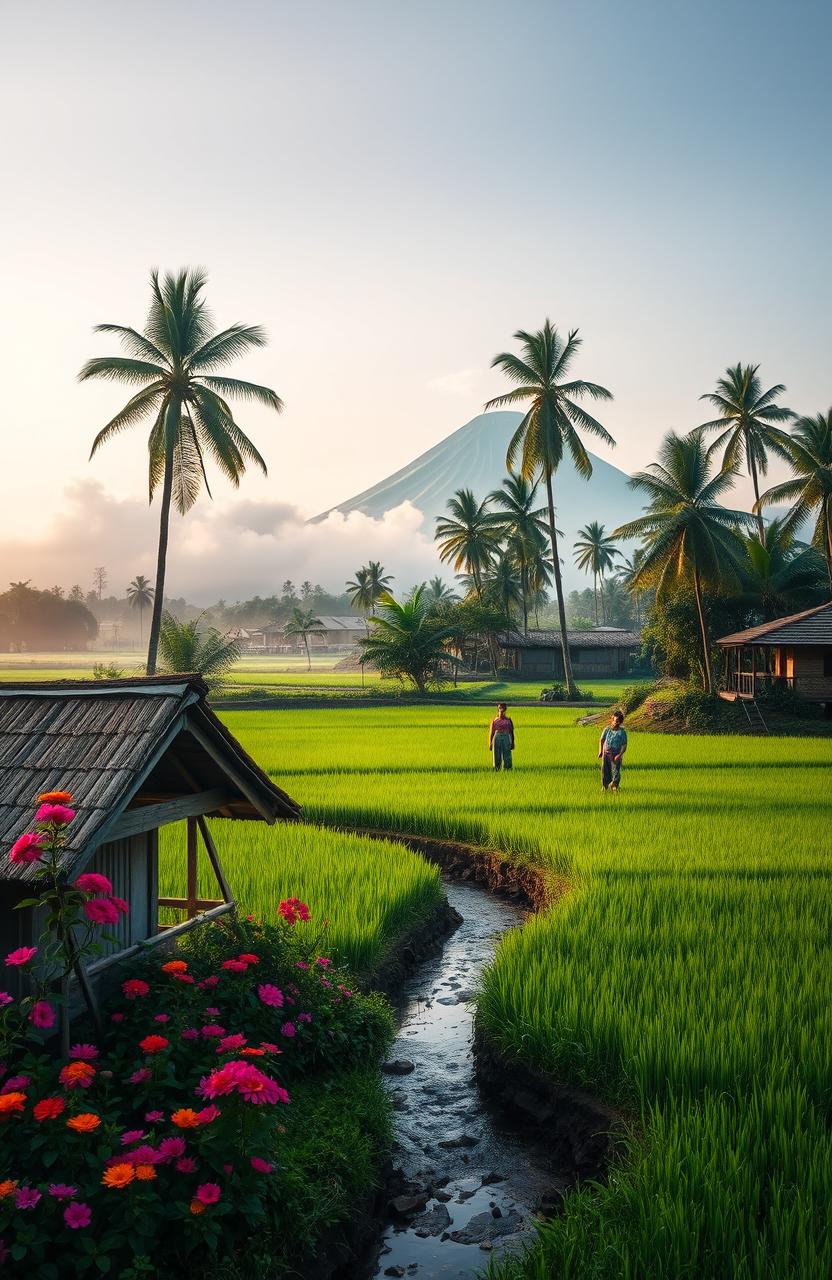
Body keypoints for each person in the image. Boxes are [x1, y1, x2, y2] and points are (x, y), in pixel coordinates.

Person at [599, 709, 627, 791]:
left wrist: (620, 755)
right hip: (606, 753)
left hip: (616, 754)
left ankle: (614, 785)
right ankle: (604, 786)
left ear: (621, 722)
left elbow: (624, 745)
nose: (616, 723)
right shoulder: (607, 729)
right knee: (605, 770)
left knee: (616, 771)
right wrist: (600, 751)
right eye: (615, 721)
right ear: (612, 720)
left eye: (618, 721)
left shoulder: (622, 732)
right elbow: (601, 740)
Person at [489, 703, 515, 771]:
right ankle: (496, 769)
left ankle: (508, 769)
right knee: (496, 754)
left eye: (503, 709)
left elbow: (511, 732)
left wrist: (512, 742)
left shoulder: (508, 720)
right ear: (498, 710)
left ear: (505, 711)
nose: (502, 711)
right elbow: (491, 732)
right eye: (500, 709)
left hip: (506, 736)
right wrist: (490, 743)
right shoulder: (494, 721)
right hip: (497, 736)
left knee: (507, 753)